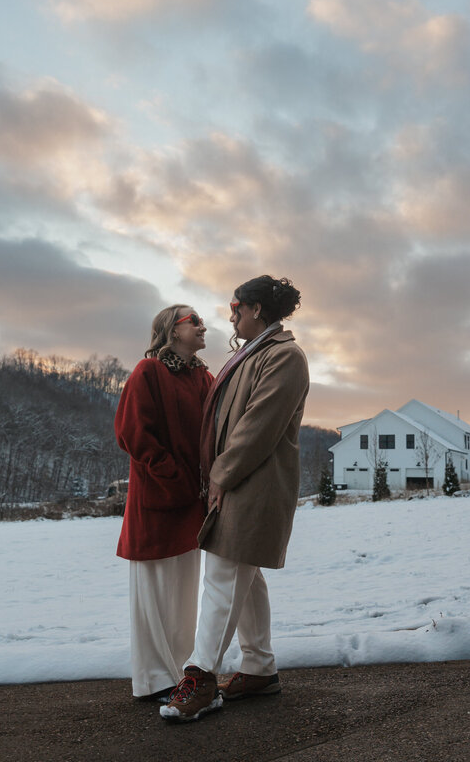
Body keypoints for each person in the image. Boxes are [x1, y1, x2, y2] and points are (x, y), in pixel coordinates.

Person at [160, 276, 308, 723]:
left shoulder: (285, 356)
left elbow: (257, 425)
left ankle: (201, 676)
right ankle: (259, 668)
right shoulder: (252, 353)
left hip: (254, 484)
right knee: (246, 575)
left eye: (236, 307)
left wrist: (221, 474)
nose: (229, 316)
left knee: (223, 575)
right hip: (239, 482)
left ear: (257, 309)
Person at [114, 304, 213, 702]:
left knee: (183, 594)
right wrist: (171, 475)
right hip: (157, 500)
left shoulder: (204, 377)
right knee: (154, 596)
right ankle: (154, 680)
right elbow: (132, 432)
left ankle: (179, 676)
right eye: (194, 321)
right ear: (172, 330)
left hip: (192, 501)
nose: (204, 325)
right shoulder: (148, 371)